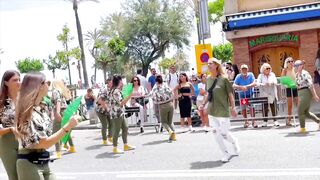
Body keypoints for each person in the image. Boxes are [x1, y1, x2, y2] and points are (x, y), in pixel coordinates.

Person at [14, 72, 78, 180]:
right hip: (29, 163)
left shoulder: (42, 109)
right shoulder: (27, 112)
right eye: (46, 82)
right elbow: (43, 143)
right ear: (38, 86)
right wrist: (68, 126)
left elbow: (47, 137)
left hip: (43, 161)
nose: (49, 85)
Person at [203, 58, 240, 163]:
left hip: (223, 110)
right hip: (212, 111)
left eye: (210, 63)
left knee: (224, 133)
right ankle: (225, 153)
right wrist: (203, 104)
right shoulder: (208, 79)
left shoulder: (224, 79)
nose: (208, 65)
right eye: (208, 63)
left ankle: (234, 141)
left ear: (216, 65)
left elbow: (230, 95)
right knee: (215, 133)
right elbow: (208, 94)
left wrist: (233, 108)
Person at [0, 70, 20, 180]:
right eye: (15, 80)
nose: (18, 82)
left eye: (19, 79)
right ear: (6, 82)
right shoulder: (1, 102)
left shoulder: (23, 98)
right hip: (7, 142)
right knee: (14, 176)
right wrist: (11, 129)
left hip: (24, 140)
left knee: (26, 175)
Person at [109, 75, 135, 154]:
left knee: (125, 127)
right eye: (121, 80)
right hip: (116, 113)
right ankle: (114, 147)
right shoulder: (116, 91)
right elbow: (121, 103)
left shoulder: (116, 90)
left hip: (120, 112)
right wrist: (129, 96)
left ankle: (125, 145)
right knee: (117, 130)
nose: (123, 82)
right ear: (119, 81)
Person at [294, 60, 320, 133]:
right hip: (300, 93)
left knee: (300, 111)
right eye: (295, 66)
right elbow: (297, 85)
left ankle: (302, 128)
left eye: (297, 65)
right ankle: (319, 121)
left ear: (301, 66)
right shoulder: (296, 74)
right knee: (306, 113)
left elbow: (311, 85)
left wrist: (315, 95)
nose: (295, 67)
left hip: (306, 92)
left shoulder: (305, 73)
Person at [51, 79, 75, 158]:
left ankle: (58, 152)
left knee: (55, 133)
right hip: (65, 111)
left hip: (60, 111)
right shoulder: (61, 91)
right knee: (65, 130)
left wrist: (57, 113)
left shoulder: (55, 91)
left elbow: (58, 101)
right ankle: (72, 147)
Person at [150, 75, 176, 142]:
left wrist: (156, 102)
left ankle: (170, 132)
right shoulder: (166, 85)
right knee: (170, 122)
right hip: (170, 104)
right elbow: (172, 93)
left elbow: (153, 96)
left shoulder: (156, 87)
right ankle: (174, 136)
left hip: (162, 105)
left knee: (163, 122)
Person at [233, 64, 257, 128]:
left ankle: (253, 121)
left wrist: (247, 86)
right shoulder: (238, 76)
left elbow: (254, 83)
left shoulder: (251, 75)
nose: (244, 70)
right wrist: (241, 87)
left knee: (252, 107)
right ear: (240, 70)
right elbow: (234, 85)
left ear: (247, 69)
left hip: (250, 94)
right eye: (243, 69)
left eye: (245, 69)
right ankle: (246, 121)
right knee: (243, 108)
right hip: (242, 95)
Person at [257, 63, 279, 127]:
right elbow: (258, 83)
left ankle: (275, 121)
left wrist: (271, 83)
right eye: (267, 68)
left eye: (269, 68)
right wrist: (264, 84)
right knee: (265, 107)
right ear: (263, 69)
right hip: (264, 93)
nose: (269, 69)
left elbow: (275, 82)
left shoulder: (272, 74)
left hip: (272, 92)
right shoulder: (260, 76)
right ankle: (265, 121)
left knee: (273, 107)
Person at [281, 57, 298, 126]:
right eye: (289, 61)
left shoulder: (295, 69)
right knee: (290, 105)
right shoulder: (284, 70)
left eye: (292, 61)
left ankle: (301, 118)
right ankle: (289, 120)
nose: (290, 62)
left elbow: (298, 78)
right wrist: (288, 84)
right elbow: (282, 79)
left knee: (298, 104)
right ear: (286, 63)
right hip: (288, 88)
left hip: (295, 88)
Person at [96, 78, 113, 145]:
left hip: (107, 110)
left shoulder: (111, 90)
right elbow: (100, 101)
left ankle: (110, 138)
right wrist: (107, 108)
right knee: (105, 125)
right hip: (101, 110)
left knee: (111, 123)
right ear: (108, 83)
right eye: (111, 82)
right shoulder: (104, 90)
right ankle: (105, 140)